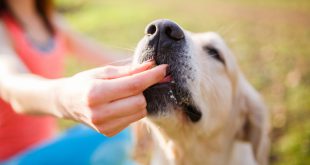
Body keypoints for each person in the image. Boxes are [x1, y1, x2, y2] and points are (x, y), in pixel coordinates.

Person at [0, 0, 167, 164]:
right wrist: (64, 99)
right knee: (117, 139)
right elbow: (13, 88)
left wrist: (155, 64)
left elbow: (108, 57)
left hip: (49, 146)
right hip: (11, 158)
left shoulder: (51, 21)